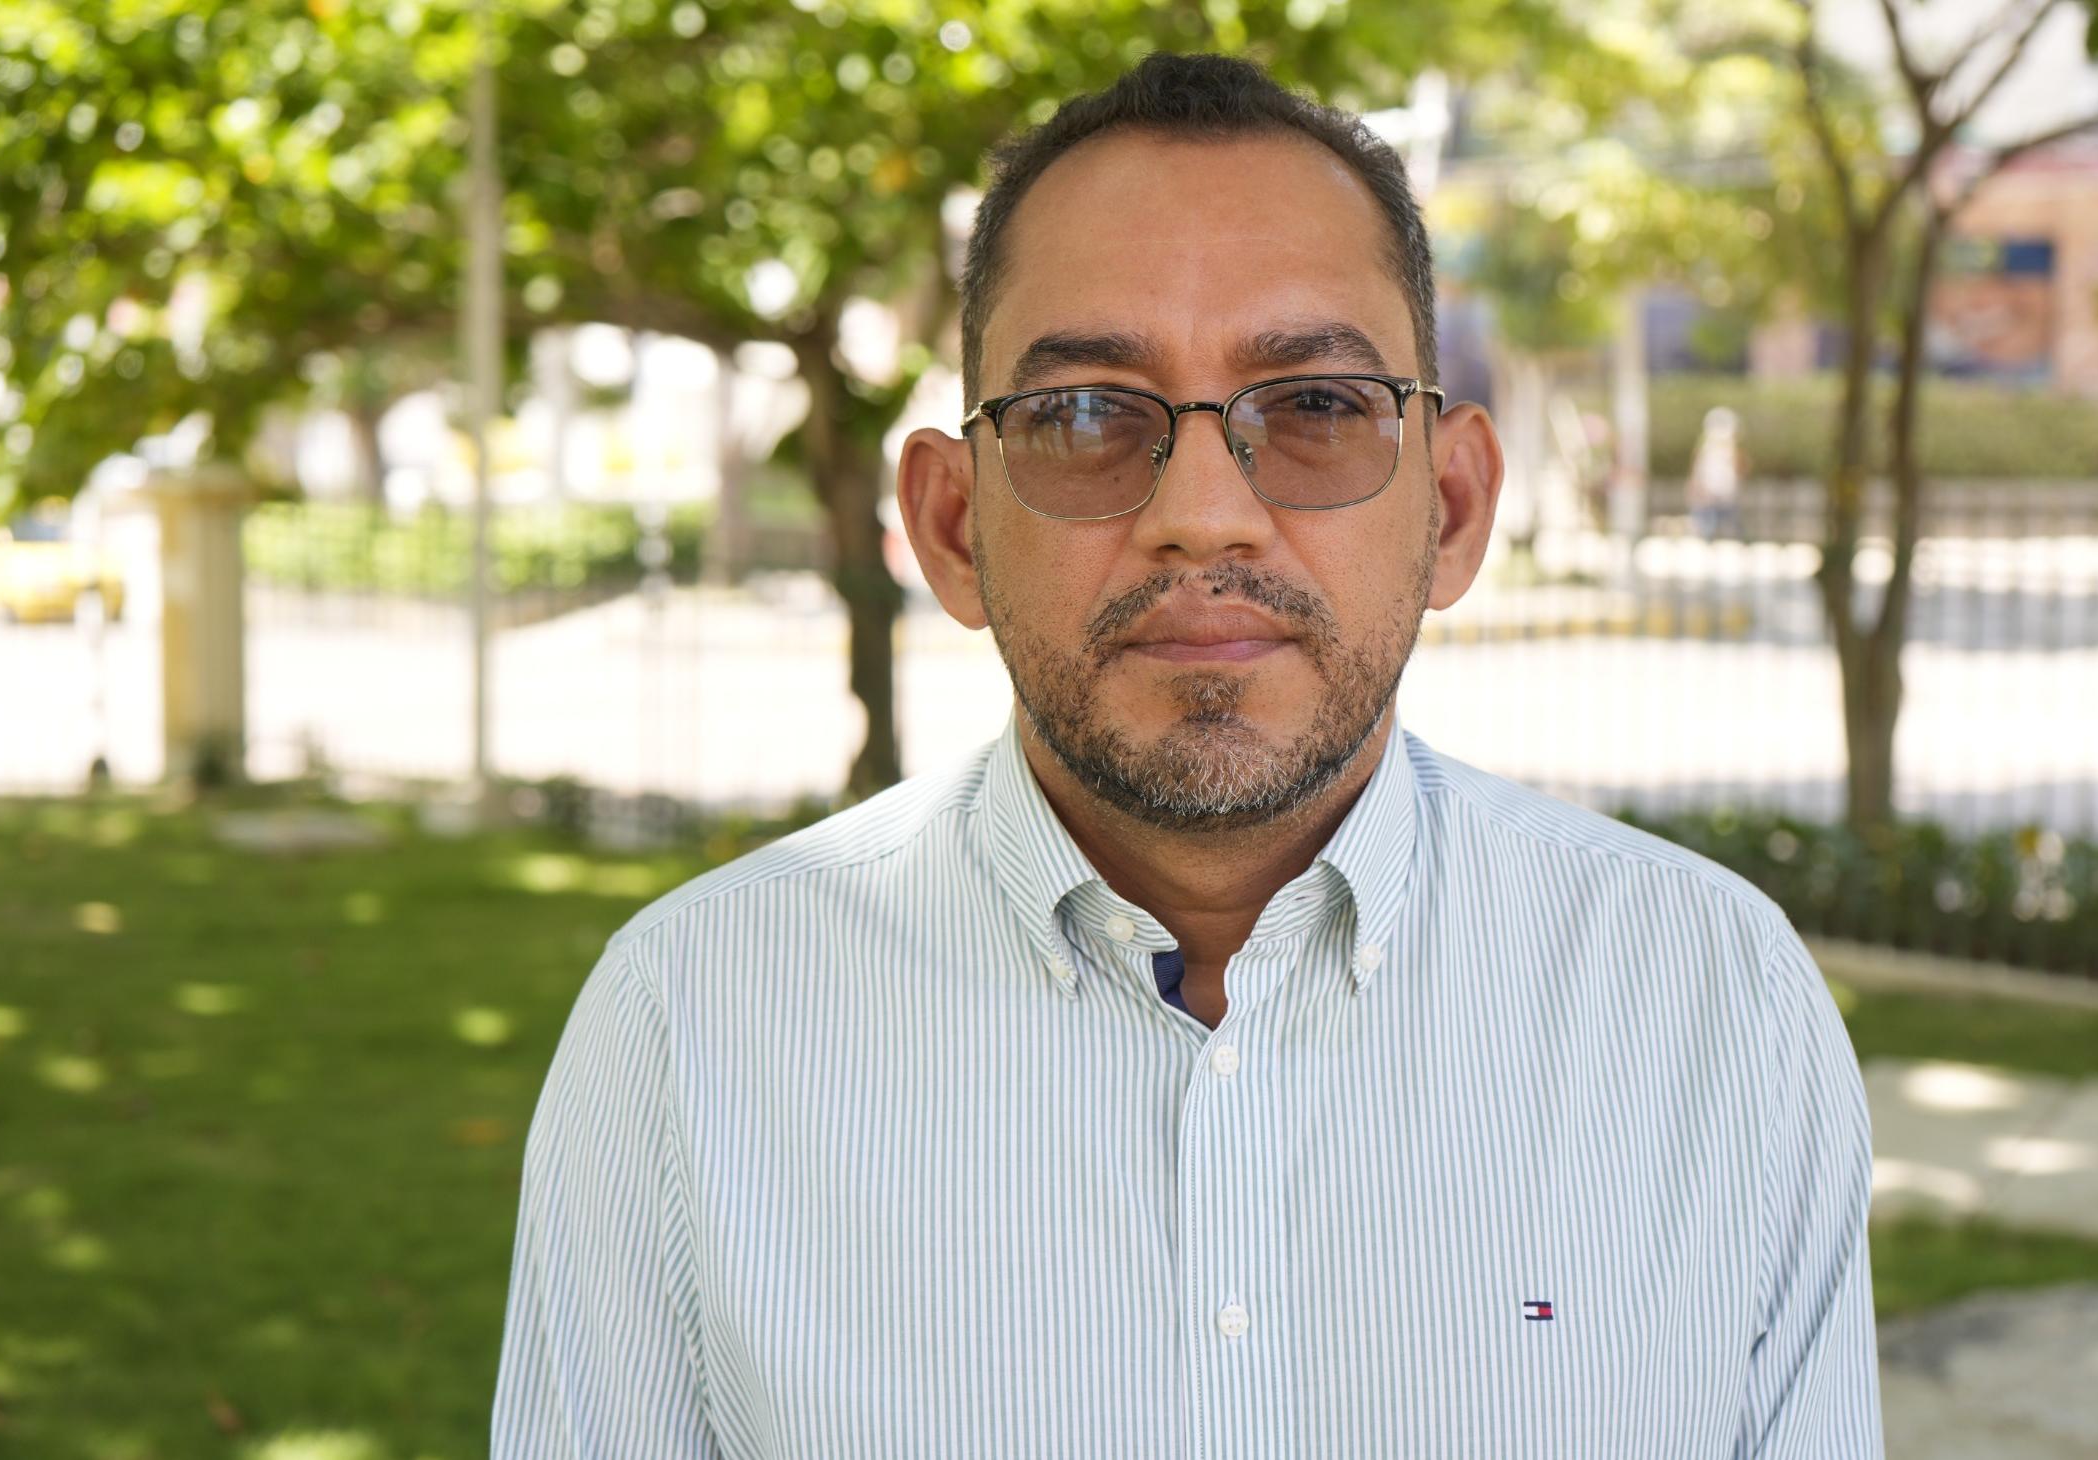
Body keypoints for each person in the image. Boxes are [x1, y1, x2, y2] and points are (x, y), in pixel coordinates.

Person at [492, 53, 1880, 1458]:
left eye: (1318, 408)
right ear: (953, 528)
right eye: (1085, 415)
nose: (1203, 515)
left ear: (1450, 509)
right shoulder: (690, 1030)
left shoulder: (1712, 1007)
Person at [1688, 404, 1745, 541]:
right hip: (1708, 497)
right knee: (1707, 528)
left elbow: (1739, 469)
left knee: (1731, 529)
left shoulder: (1730, 450)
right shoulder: (1707, 450)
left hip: (1725, 497)